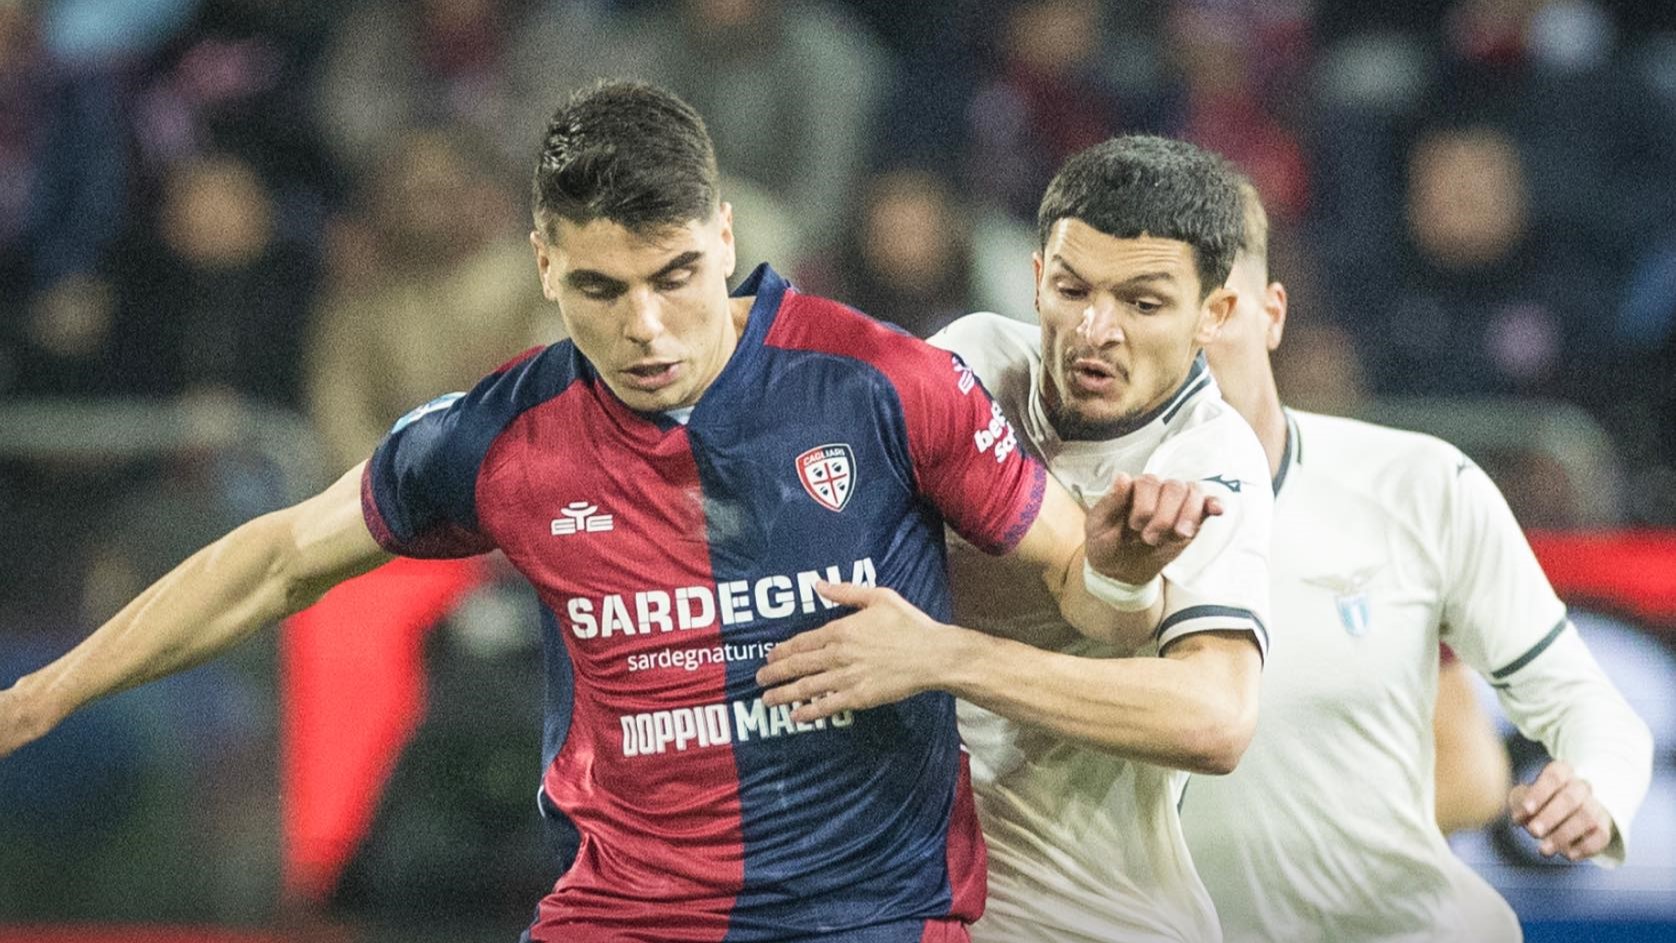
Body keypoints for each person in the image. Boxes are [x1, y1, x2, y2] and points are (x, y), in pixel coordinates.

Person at [0, 81, 1210, 942]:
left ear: (723, 239)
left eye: (675, 276)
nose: (644, 326)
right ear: (543, 263)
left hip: (866, 917)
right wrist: (45, 694)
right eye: (599, 286)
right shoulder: (500, 436)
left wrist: (1116, 571)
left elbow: (1097, 607)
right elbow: (276, 560)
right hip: (623, 915)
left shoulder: (884, 383)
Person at [758, 135, 1273, 942]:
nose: (1095, 329)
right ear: (1036, 278)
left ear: (1215, 313)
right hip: (897, 897)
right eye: (1072, 289)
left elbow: (1216, 718)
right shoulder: (973, 361)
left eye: (1143, 304)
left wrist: (943, 656)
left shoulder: (1207, 462)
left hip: (1090, 917)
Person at [1179, 179, 1653, 942]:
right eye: (1146, 304)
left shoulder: (1413, 489)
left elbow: (1520, 747)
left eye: (1216, 304)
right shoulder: (1051, 514)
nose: (1187, 334)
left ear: (1273, 312)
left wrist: (1595, 785)